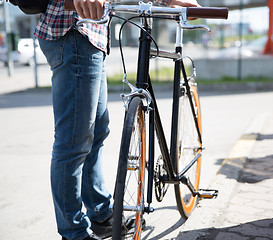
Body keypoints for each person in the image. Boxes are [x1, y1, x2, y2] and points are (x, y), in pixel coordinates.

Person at [35, 0, 200, 239]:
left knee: (95, 132)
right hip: (74, 30)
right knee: (72, 142)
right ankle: (74, 233)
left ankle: (101, 214)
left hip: (90, 33)